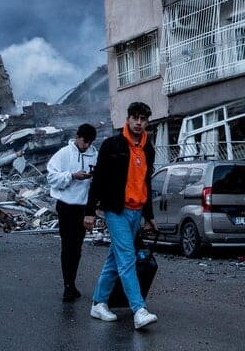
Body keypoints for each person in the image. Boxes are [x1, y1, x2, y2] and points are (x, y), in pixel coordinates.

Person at [86, 101, 158, 329]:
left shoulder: (148, 148)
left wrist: (149, 216)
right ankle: (139, 309)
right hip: (116, 210)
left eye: (143, 119)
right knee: (127, 258)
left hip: (136, 212)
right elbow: (98, 180)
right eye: (135, 118)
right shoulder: (112, 145)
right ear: (127, 119)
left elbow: (146, 182)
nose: (139, 123)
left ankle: (98, 303)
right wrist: (89, 211)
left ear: (147, 121)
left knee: (114, 259)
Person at [47, 123, 98, 302]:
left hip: (83, 208)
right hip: (66, 206)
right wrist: (72, 176)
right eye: (85, 141)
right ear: (77, 137)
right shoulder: (63, 154)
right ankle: (67, 285)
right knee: (67, 246)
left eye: (90, 142)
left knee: (77, 247)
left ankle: (72, 282)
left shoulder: (94, 155)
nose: (86, 145)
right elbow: (51, 177)